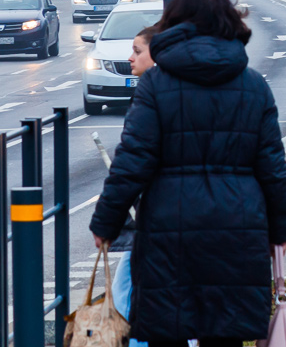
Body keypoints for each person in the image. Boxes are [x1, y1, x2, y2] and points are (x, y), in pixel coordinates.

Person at [90, 0, 286, 347]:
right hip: (238, 228)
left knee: (167, 328)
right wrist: (280, 232)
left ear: (174, 25)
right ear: (230, 25)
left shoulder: (156, 84)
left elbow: (132, 160)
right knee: (225, 332)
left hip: (169, 230)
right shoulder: (253, 86)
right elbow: (273, 170)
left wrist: (106, 223)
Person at [110, 24, 161, 347]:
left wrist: (106, 220)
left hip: (158, 222)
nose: (130, 58)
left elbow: (131, 165)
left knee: (131, 291)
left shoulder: (154, 94)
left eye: (138, 51)